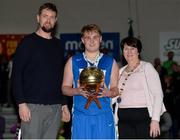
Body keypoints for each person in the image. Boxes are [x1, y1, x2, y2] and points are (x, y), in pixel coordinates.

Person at [12, 3, 70, 139]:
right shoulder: (27, 43)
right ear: (38, 18)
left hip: (55, 108)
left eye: (52, 17)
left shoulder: (59, 45)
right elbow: (16, 75)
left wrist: (64, 104)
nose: (48, 20)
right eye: (45, 16)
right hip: (32, 107)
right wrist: (21, 104)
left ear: (55, 21)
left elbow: (60, 77)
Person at [62, 24, 119, 139]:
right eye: (88, 37)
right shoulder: (73, 61)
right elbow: (64, 88)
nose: (91, 41)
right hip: (81, 115)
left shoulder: (110, 62)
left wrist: (109, 93)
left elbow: (115, 89)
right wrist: (77, 91)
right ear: (82, 40)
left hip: (104, 115)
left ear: (101, 39)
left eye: (95, 37)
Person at [116, 37, 166, 138]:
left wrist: (155, 120)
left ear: (138, 51)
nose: (129, 52)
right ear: (123, 51)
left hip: (143, 119)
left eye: (132, 48)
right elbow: (115, 95)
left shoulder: (147, 67)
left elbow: (158, 95)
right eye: (126, 49)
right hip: (123, 120)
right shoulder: (120, 71)